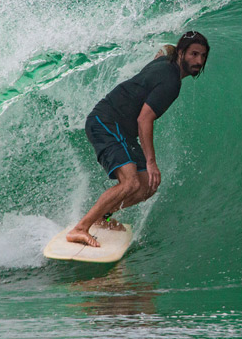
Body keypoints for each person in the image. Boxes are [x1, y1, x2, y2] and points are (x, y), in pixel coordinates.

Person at [66, 31, 210, 247]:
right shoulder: (171, 82)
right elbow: (144, 119)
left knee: (146, 186)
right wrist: (151, 162)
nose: (199, 61)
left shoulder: (166, 60)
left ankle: (101, 217)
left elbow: (164, 50)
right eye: (194, 54)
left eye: (203, 56)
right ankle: (80, 229)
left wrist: (169, 48)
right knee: (131, 182)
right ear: (182, 53)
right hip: (106, 121)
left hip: (121, 129)